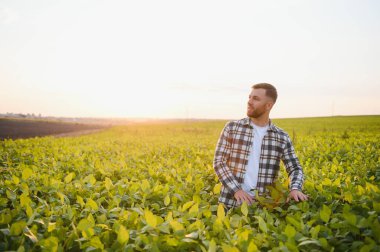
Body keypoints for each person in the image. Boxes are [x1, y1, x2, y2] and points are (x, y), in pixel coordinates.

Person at [213, 83, 308, 209]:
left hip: (264, 207)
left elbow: (295, 168)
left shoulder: (281, 137)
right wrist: (237, 190)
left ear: (268, 105)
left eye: (255, 99)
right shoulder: (232, 128)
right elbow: (219, 162)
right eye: (250, 97)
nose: (249, 102)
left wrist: (295, 188)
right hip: (230, 204)